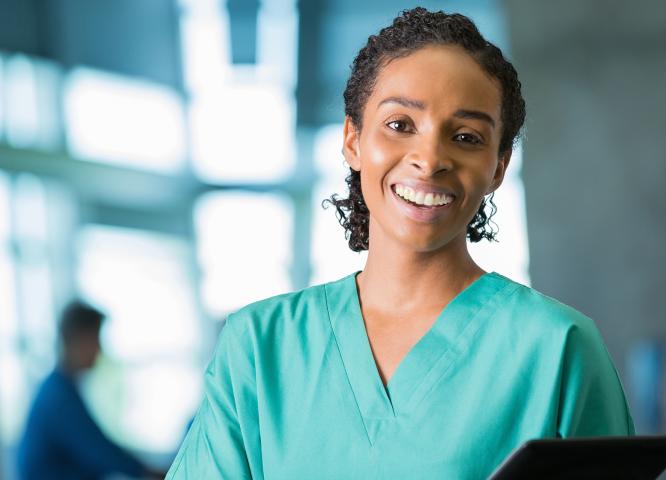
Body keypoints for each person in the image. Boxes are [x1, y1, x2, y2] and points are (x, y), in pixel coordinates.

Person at [166, 8, 634, 479]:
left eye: (467, 136)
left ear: (497, 166)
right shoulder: (259, 346)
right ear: (352, 138)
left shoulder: (557, 348)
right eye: (400, 124)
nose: (429, 161)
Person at [17, 300, 163, 480]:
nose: (99, 350)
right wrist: (152, 473)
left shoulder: (60, 388)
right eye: (96, 339)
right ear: (77, 339)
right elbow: (100, 452)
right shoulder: (58, 398)